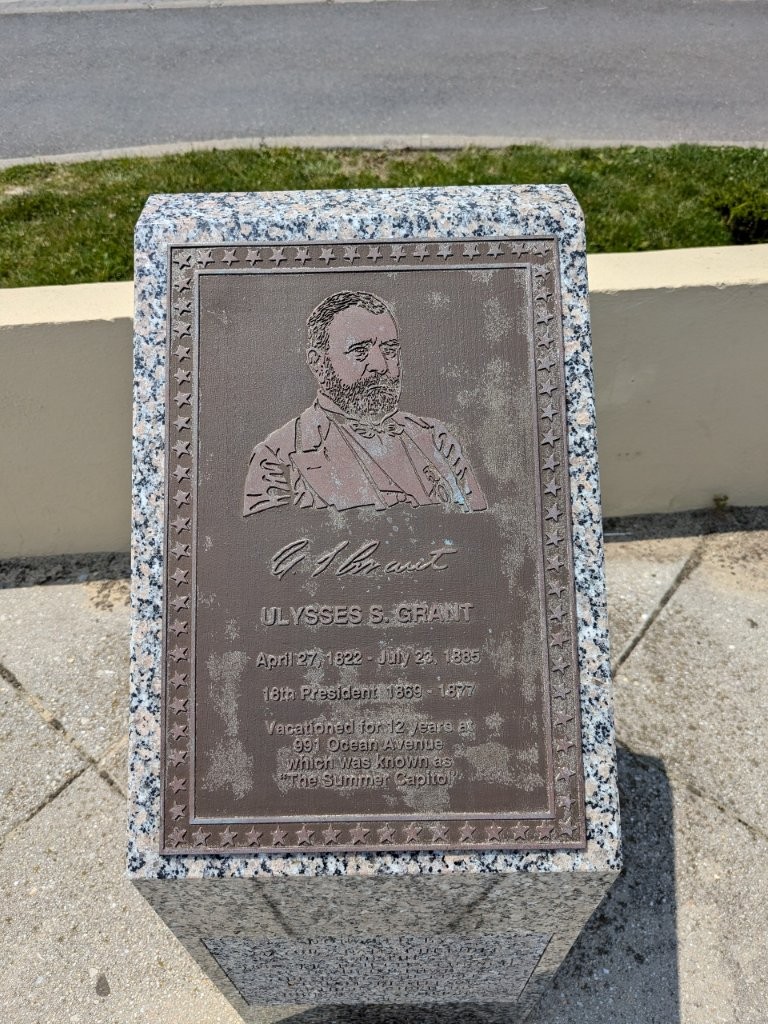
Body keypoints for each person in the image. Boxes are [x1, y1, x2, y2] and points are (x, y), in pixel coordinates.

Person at [243, 291, 487, 516]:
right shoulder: (277, 456)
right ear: (317, 362)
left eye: (390, 350)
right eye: (360, 352)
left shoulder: (436, 438)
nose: (380, 365)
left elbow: (480, 538)